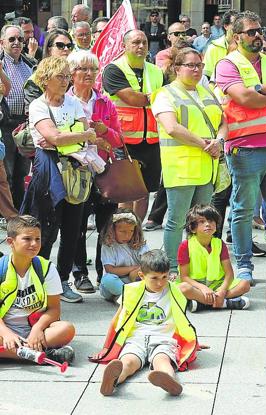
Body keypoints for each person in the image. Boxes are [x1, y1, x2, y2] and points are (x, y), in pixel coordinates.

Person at [215, 11, 266, 284]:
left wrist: (259, 88)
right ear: (237, 36)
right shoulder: (227, 64)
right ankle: (244, 267)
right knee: (243, 211)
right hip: (244, 147)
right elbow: (244, 98)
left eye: (259, 30)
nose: (258, 35)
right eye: (251, 31)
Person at [23, 56, 97, 303]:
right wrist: (72, 136)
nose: (66, 81)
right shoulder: (37, 106)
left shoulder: (74, 102)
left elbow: (85, 136)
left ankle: (62, 280)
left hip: (75, 170)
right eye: (61, 76)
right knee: (46, 227)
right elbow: (54, 137)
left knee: (73, 229)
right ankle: (39, 278)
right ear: (46, 80)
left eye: (68, 76)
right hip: (48, 172)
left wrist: (64, 137)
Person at [152, 47, 225, 271]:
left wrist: (220, 141)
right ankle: (173, 268)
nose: (196, 70)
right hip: (181, 167)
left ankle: (196, 264)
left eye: (199, 65)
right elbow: (172, 128)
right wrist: (207, 144)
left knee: (202, 221)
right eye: (190, 65)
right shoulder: (165, 94)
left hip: (206, 168)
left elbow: (223, 121)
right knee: (177, 221)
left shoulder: (207, 92)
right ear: (177, 68)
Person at [91, 249, 198, 396]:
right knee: (128, 362)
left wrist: (191, 341)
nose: (160, 282)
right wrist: (106, 347)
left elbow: (183, 321)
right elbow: (117, 321)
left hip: (163, 339)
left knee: (162, 360)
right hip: (136, 338)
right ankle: (114, 380)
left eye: (164, 277)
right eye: (154, 278)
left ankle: (170, 381)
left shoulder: (174, 290)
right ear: (141, 276)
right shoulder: (131, 291)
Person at [67, 50, 123, 290]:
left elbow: (118, 139)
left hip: (103, 171)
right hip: (75, 170)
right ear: (72, 73)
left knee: (106, 225)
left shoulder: (105, 101)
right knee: (76, 225)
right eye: (83, 69)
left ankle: (104, 273)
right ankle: (79, 273)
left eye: (93, 69)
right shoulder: (63, 101)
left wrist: (102, 131)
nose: (89, 74)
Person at [102, 29, 165, 221]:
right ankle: (123, 233)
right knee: (126, 193)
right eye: (136, 42)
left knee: (144, 192)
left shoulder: (155, 70)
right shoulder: (113, 69)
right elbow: (133, 99)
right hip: (123, 141)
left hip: (151, 140)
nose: (141, 46)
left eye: (144, 42)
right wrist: (160, 96)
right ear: (124, 46)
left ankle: (136, 232)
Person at [0, 215, 76, 364]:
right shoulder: (1, 268)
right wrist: (6, 333)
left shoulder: (47, 268)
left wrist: (38, 329)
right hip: (4, 330)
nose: (34, 244)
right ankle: (45, 355)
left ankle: (16, 352)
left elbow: (54, 310)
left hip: (35, 328)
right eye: (27, 239)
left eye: (38, 239)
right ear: (11, 242)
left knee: (66, 329)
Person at [177, 204, 250, 312]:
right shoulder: (185, 245)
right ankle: (225, 302)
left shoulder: (219, 244)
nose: (208, 224)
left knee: (245, 284)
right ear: (192, 228)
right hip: (195, 285)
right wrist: (203, 288)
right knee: (183, 288)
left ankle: (204, 303)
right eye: (202, 222)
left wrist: (222, 290)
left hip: (217, 284)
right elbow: (184, 277)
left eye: (211, 221)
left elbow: (229, 273)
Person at [1, 25, 33, 211]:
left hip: (24, 124)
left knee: (21, 171)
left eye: (20, 39)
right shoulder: (0, 64)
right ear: (2, 42)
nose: (16, 43)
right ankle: (7, 212)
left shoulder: (29, 64)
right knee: (7, 172)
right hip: (4, 124)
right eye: (12, 39)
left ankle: (19, 211)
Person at [99, 209, 149, 301]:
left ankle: (124, 298)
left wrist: (135, 273)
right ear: (112, 230)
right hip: (117, 281)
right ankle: (130, 297)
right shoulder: (109, 245)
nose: (127, 236)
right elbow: (110, 270)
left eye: (131, 231)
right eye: (122, 232)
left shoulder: (139, 243)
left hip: (136, 280)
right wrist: (133, 269)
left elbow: (148, 263)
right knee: (108, 279)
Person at [202, 10, 238, 79]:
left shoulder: (245, 47)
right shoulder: (213, 48)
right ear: (226, 26)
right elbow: (207, 77)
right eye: (235, 24)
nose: (238, 27)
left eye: (240, 24)